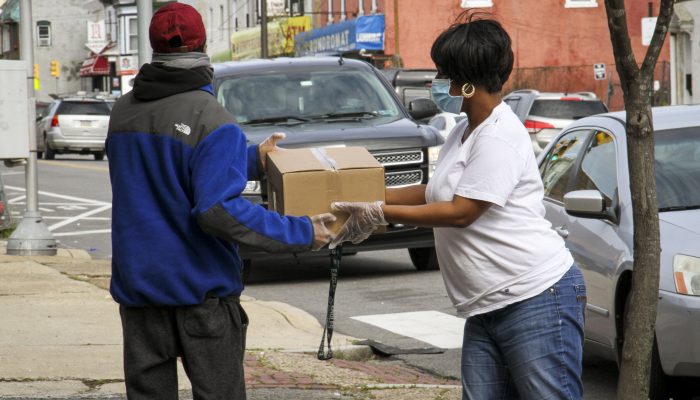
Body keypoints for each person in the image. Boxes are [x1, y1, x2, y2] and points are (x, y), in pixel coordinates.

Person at [330, 13, 586, 400]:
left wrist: (381, 213)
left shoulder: (498, 137)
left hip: (534, 296)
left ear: (467, 83)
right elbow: (434, 191)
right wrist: (365, 199)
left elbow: (462, 212)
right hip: (486, 307)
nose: (439, 84)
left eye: (444, 75)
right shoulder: (464, 131)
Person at [105, 3, 335, 399]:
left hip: (140, 293)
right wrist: (303, 231)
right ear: (204, 45)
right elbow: (217, 209)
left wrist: (250, 159)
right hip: (202, 297)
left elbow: (162, 170)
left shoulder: (123, 112)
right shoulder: (212, 118)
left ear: (153, 46)